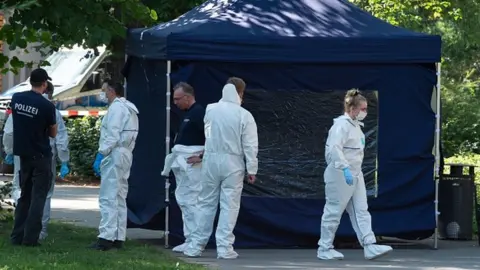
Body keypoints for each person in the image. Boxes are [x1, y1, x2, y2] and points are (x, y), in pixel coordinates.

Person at [183, 77, 258, 259]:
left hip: (211, 161)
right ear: (240, 93)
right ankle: (224, 248)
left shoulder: (210, 109)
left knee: (205, 204)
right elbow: (250, 145)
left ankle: (195, 246)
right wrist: (252, 169)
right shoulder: (244, 115)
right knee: (229, 206)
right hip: (233, 163)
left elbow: (209, 137)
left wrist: (203, 156)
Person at [317, 89, 393, 260]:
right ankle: (324, 247)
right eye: (363, 109)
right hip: (340, 173)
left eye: (366, 109)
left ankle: (369, 244)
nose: (365, 112)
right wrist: (344, 168)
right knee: (334, 210)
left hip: (354, 174)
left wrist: (351, 171)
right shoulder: (340, 126)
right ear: (352, 109)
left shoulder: (356, 127)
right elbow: (334, 149)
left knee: (361, 210)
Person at [3, 81, 70, 241]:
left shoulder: (20, 105)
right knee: (43, 194)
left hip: (23, 153)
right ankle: (39, 231)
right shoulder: (51, 109)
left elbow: (9, 132)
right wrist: (64, 159)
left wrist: (10, 151)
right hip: (45, 155)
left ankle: (20, 229)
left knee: (21, 190)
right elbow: (59, 137)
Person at [8, 68, 58, 247]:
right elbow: (53, 133)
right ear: (44, 84)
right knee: (38, 197)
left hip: (23, 154)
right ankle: (30, 239)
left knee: (24, 196)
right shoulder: (47, 106)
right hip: (41, 155)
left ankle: (16, 236)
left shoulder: (17, 99)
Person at [90, 80, 139, 251]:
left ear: (111, 90)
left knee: (108, 196)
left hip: (115, 153)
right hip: (125, 154)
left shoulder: (117, 108)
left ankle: (105, 237)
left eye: (104, 90)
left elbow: (112, 135)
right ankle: (118, 236)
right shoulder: (129, 108)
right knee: (119, 196)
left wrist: (101, 154)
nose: (102, 93)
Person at [161, 82, 205, 253]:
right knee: (184, 200)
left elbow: (212, 138)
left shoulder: (199, 113)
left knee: (193, 200)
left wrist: (201, 156)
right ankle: (190, 238)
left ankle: (196, 240)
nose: (175, 103)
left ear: (187, 97)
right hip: (183, 162)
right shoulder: (188, 114)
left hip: (193, 163)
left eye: (177, 99)